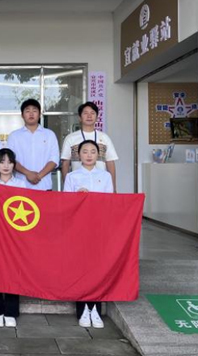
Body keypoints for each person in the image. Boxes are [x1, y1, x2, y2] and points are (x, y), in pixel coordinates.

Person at [63, 139, 113, 329]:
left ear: (98, 154)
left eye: (93, 151)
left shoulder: (105, 176)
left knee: (97, 268)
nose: (89, 155)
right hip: (78, 229)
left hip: (98, 228)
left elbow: (110, 202)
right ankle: (82, 309)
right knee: (80, 268)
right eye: (85, 151)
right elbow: (66, 204)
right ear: (78, 155)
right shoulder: (72, 177)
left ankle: (95, 309)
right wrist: (78, 197)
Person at [0, 148, 25, 328]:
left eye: (9, 162)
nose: (6, 166)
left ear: (14, 165)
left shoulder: (21, 185)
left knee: (13, 271)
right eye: (2, 162)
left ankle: (11, 311)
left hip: (15, 236)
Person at [61, 101, 118, 192]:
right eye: (85, 113)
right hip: (78, 185)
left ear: (97, 117)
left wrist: (114, 188)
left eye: (92, 113)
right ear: (80, 117)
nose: (89, 116)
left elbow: (110, 162)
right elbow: (65, 163)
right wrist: (67, 186)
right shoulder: (71, 138)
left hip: (100, 185)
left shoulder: (104, 137)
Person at [7, 99, 60, 190]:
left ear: (39, 114)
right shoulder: (14, 136)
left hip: (44, 186)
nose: (31, 114)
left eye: (34, 111)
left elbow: (54, 159)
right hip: (21, 186)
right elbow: (10, 159)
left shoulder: (49, 134)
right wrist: (28, 173)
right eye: (27, 111)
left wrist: (39, 176)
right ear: (22, 115)